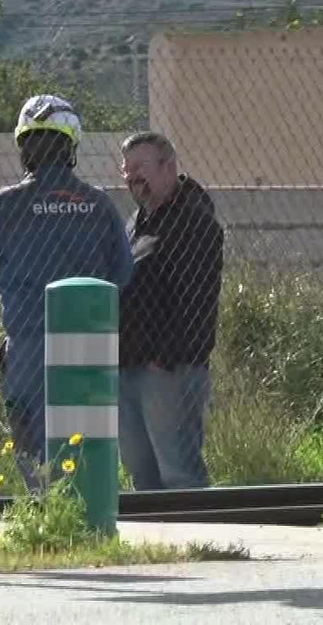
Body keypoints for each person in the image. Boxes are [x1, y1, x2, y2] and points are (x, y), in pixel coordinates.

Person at [0, 94, 134, 491]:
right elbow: (123, 274)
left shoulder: (7, 205)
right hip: (90, 342)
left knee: (33, 441)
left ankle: (47, 513)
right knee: (87, 440)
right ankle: (87, 511)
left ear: (24, 147)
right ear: (70, 146)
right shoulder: (99, 205)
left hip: (29, 345)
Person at [117, 131, 223, 491]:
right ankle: (155, 546)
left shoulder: (194, 221)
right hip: (130, 365)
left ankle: (194, 542)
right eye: (126, 169)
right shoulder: (137, 222)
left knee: (178, 472)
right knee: (141, 474)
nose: (132, 176)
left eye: (140, 167)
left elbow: (197, 301)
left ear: (169, 166)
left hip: (169, 371)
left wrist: (165, 359)